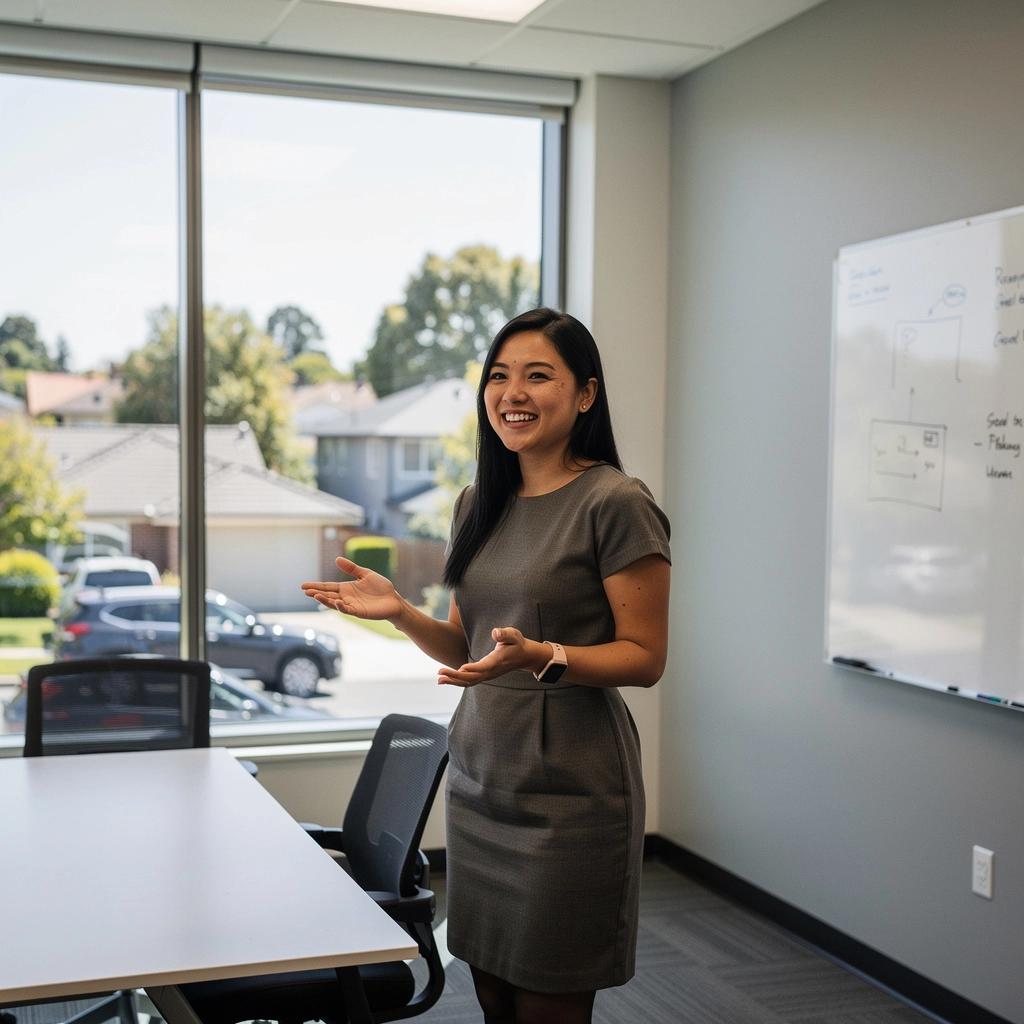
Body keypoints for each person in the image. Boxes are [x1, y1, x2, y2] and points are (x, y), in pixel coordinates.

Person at [301, 308, 671, 1024]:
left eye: (539, 375)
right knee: (494, 993)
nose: (512, 393)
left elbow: (645, 657)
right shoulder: (479, 503)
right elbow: (467, 649)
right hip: (481, 778)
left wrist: (548, 657)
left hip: (571, 791)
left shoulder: (616, 503)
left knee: (549, 998)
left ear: (586, 394)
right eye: (499, 377)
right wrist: (403, 612)